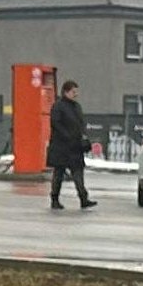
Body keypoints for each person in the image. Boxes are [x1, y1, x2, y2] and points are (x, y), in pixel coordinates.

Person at [48, 80, 95, 212]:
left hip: (75, 146)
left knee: (78, 173)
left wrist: (83, 136)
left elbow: (81, 124)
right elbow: (55, 123)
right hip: (61, 146)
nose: (76, 94)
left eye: (76, 92)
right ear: (66, 92)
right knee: (59, 173)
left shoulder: (76, 107)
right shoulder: (58, 106)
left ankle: (83, 199)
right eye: (73, 92)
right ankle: (54, 199)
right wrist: (67, 136)